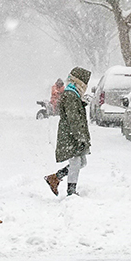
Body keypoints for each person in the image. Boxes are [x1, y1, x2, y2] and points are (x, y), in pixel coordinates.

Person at [44, 66, 91, 196]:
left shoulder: (73, 94)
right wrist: (80, 137)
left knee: (82, 162)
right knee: (76, 162)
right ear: (80, 83)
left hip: (72, 134)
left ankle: (55, 177)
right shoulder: (70, 95)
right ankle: (71, 191)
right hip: (70, 135)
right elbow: (73, 118)